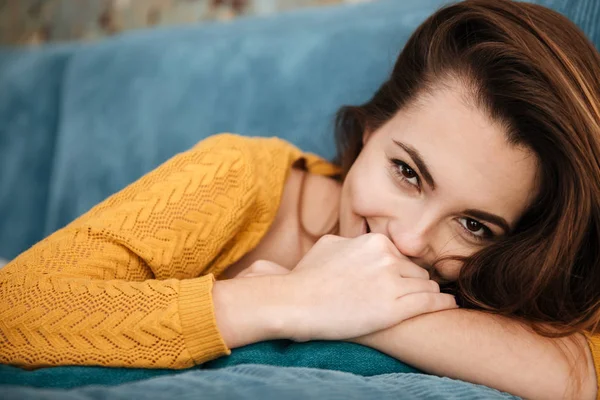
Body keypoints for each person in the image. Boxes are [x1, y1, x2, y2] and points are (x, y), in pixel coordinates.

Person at [1, 0, 599, 398]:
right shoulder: (235, 177)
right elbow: (13, 310)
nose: (412, 242)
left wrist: (356, 313)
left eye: (473, 224)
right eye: (407, 173)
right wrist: (281, 299)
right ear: (370, 130)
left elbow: (585, 375)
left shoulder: (494, 277)